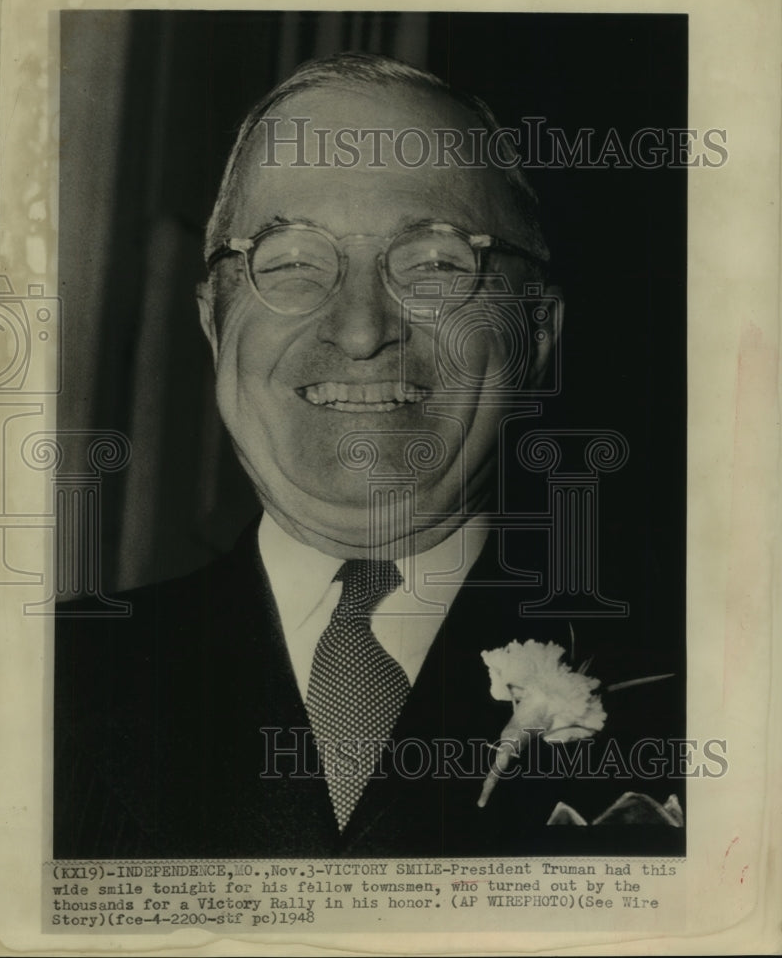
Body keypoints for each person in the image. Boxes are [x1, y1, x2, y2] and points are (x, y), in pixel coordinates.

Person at [54, 53, 684, 859]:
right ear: (215, 322)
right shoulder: (26, 687)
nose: (360, 329)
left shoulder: (716, 678)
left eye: (434, 264)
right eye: (290, 264)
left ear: (538, 333)